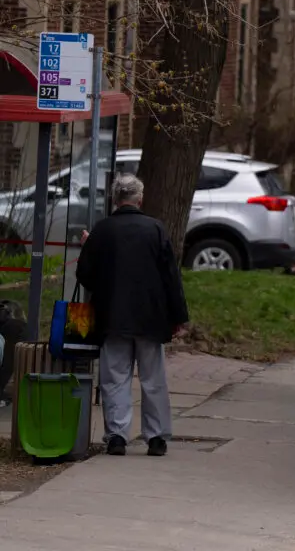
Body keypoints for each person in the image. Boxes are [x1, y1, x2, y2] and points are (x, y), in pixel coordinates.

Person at [76, 174, 189, 457]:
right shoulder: (155, 229)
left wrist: (89, 247)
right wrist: (179, 316)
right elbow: (170, 278)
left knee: (114, 377)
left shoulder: (102, 231)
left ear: (115, 199)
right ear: (140, 199)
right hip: (151, 317)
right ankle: (156, 438)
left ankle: (116, 436)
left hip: (112, 317)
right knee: (153, 378)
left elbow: (85, 276)